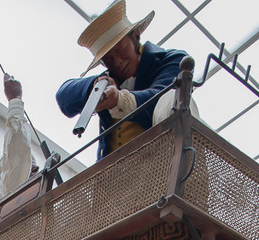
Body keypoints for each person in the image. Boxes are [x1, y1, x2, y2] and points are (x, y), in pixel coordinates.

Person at [56, 0, 190, 159]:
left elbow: (164, 98)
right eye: (108, 59)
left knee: (170, 99)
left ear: (136, 35)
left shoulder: (174, 60)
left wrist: (119, 100)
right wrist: (94, 86)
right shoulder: (107, 81)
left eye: (120, 49)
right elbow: (64, 97)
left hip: (164, 164)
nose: (118, 61)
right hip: (117, 177)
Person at [0, 73, 36, 202]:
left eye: (34, 169)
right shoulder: (9, 194)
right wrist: (15, 100)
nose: (36, 173)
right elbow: (17, 152)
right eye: (31, 168)